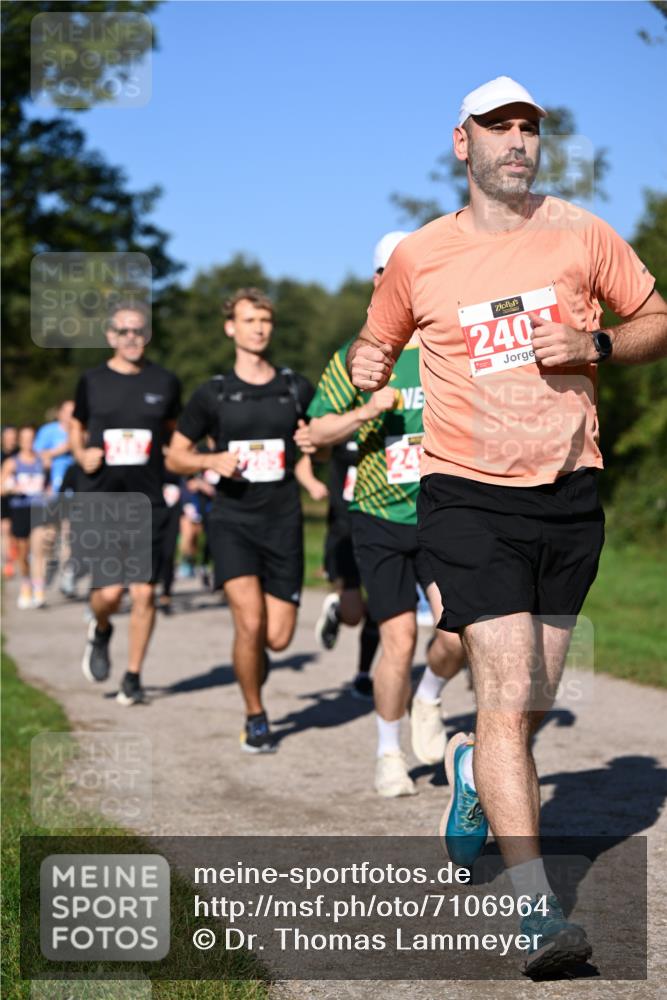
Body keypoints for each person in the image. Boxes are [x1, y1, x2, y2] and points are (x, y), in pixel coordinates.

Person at [347, 76, 667, 975]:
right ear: (463, 143)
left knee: (528, 702)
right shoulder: (420, 254)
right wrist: (373, 358)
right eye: (498, 127)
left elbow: (653, 318)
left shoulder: (582, 232)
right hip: (465, 494)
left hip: (568, 488)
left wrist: (596, 345)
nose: (516, 140)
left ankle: (469, 775)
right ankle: (536, 913)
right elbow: (377, 341)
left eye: (528, 127)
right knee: (504, 680)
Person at [309, 232, 466, 798]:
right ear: (379, 281)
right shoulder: (355, 356)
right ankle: (387, 753)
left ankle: (427, 699)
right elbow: (313, 434)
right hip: (377, 516)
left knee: (462, 631)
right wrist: (364, 410)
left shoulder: (448, 348)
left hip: (444, 511)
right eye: (391, 273)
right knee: (397, 639)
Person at [167, 287, 322, 753]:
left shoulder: (295, 388)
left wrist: (317, 455)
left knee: (277, 637)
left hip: (283, 520)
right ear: (230, 327)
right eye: (249, 320)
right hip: (232, 520)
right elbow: (175, 456)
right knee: (249, 623)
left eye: (265, 320)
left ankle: (254, 661)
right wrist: (209, 461)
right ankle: (256, 715)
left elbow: (314, 443)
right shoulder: (213, 393)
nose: (259, 328)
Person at [70, 302, 182, 705]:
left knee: (144, 594)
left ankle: (133, 675)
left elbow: (172, 434)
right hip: (101, 498)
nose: (131, 338)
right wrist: (81, 454)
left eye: (138, 331)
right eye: (123, 331)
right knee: (109, 595)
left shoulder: (165, 382)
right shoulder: (92, 381)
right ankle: (101, 629)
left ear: (147, 335)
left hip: (148, 500)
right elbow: (77, 424)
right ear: (110, 337)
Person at [313, 435, 380, 701]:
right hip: (346, 529)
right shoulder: (341, 421)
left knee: (379, 606)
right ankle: (337, 611)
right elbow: (309, 455)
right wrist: (311, 482)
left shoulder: (395, 414)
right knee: (353, 615)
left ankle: (363, 674)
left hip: (385, 524)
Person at [0, 426, 51, 608]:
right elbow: (1, 488)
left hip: (38, 509)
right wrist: (11, 487)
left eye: (31, 438)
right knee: (23, 553)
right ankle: (26, 583)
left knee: (39, 551)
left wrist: (49, 492)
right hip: (19, 509)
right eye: (25, 438)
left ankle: (39, 590)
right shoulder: (12, 463)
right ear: (20, 441)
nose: (28, 442)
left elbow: (49, 484)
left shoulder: (43, 461)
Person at [1, 425, 18, 578]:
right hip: (4, 497)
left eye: (13, 435)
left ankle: (17, 551)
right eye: (8, 436)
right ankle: (8, 563)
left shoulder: (20, 454)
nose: (11, 438)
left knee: (16, 531)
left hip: (19, 497)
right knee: (5, 528)